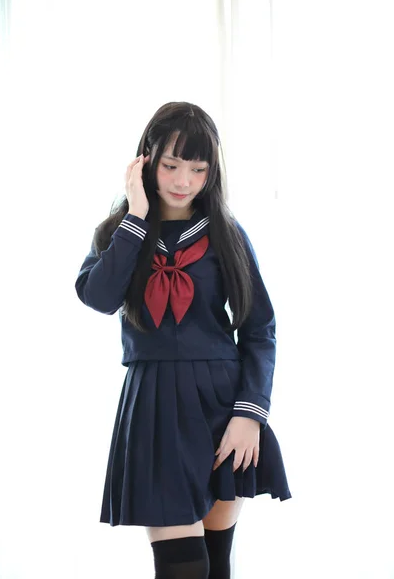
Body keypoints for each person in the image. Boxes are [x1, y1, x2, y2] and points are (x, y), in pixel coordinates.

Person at [75, 101, 292, 579]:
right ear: (145, 160)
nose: (182, 181)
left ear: (211, 173)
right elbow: (99, 297)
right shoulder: (117, 232)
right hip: (155, 409)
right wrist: (135, 217)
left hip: (222, 408)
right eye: (170, 165)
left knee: (215, 567)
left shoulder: (226, 234)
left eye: (197, 169)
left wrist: (249, 415)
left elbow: (260, 328)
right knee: (183, 570)